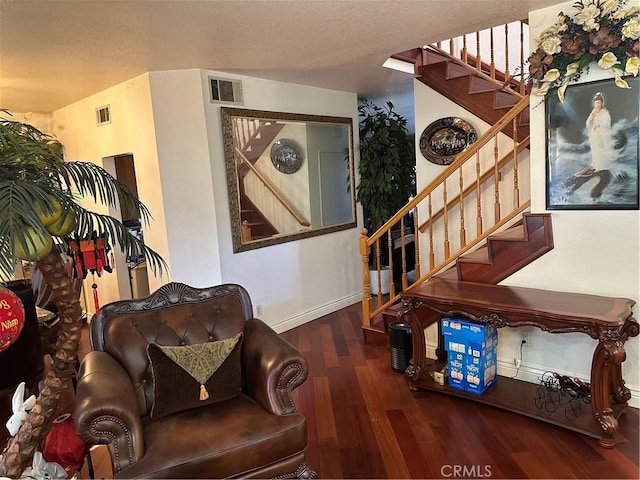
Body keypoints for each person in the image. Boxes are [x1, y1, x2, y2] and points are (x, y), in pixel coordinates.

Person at [562, 92, 617, 198]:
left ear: (602, 103)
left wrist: (599, 125)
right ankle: (596, 165)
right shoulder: (593, 112)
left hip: (602, 136)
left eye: (599, 103)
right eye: (596, 103)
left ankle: (601, 166)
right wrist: (591, 120)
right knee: (596, 151)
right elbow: (588, 123)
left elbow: (607, 123)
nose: (597, 105)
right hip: (595, 136)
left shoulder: (605, 112)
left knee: (601, 150)